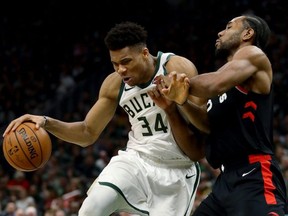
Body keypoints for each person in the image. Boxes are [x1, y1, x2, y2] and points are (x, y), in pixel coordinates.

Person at [3, 21, 204, 216]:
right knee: (90, 209)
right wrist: (46, 122)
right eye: (115, 64)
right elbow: (86, 133)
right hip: (136, 160)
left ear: (144, 53)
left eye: (126, 62)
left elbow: (203, 125)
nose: (120, 70)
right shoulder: (114, 84)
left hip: (177, 168)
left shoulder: (177, 67)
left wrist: (180, 101)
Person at [156, 14, 288, 215]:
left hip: (254, 175)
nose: (220, 32)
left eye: (228, 27)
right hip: (225, 181)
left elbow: (214, 83)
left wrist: (176, 84)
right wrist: (180, 100)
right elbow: (208, 124)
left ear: (248, 33)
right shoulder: (225, 81)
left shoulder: (254, 55)